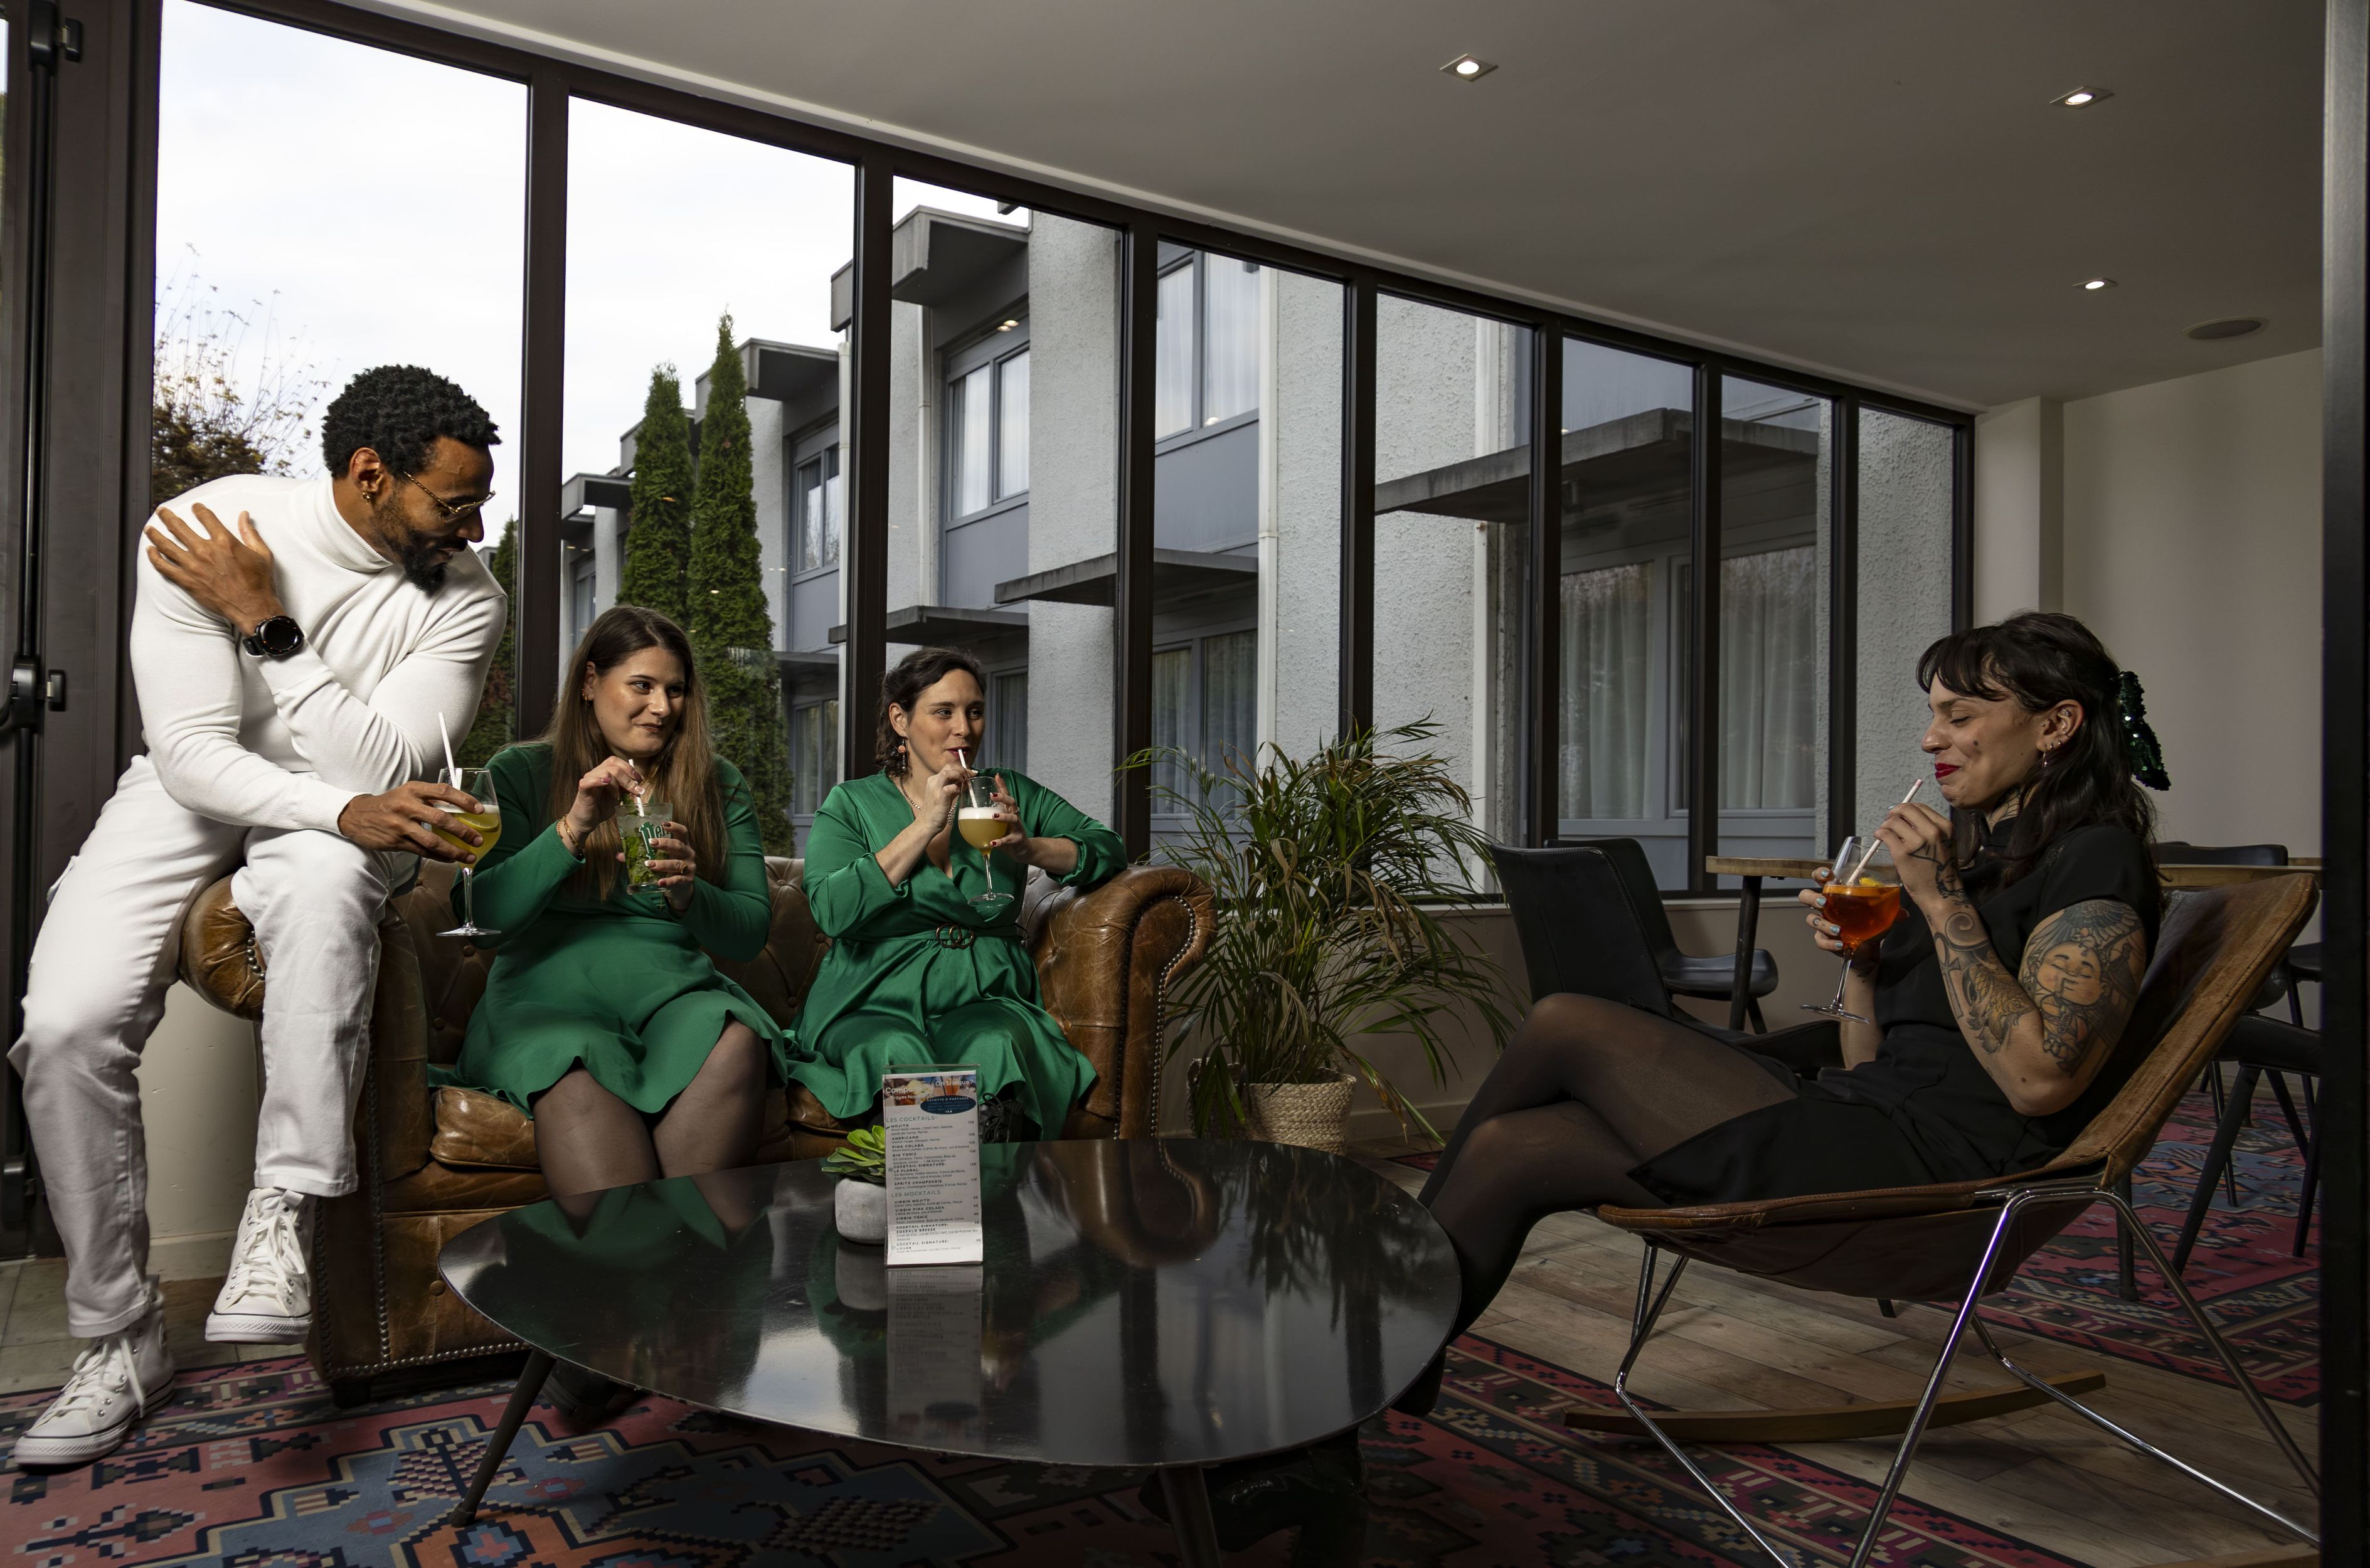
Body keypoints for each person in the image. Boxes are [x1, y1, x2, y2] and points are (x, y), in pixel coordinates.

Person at [1406, 610, 2166, 1411]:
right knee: (1512, 1146)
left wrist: (1939, 901)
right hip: (1866, 1121)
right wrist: (1865, 966)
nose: (1930, 739)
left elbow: (2040, 1082)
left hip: (1946, 1178)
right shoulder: (1979, 862)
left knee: (1568, 1018)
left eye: (1959, 715)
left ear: (2056, 724)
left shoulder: (2095, 856)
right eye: (1933, 714)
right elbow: (1870, 1063)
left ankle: (1372, 1295)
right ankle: (1383, 1376)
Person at [11, 366, 509, 1466]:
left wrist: (265, 622)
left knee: (326, 884)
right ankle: (118, 1337)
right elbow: (193, 754)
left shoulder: (468, 595)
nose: (475, 529)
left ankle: (283, 1207)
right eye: (455, 503)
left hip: (345, 816)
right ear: (370, 475)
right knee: (63, 1026)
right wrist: (338, 804)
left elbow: (384, 765)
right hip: (197, 794)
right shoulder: (207, 529)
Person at [444, 605, 792, 1198]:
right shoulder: (521, 771)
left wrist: (690, 893)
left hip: (676, 996)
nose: (662, 707)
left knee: (735, 1038)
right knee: (569, 1062)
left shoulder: (718, 781)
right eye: (642, 685)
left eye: (675, 690)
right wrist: (573, 827)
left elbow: (748, 933)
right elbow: (484, 916)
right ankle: (655, 1254)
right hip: (546, 1001)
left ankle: (682, 1251)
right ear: (589, 682)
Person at [789, 645, 1125, 1140]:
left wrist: (1029, 848)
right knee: (891, 1049)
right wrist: (924, 825)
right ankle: (920, 1181)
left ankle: (997, 1178)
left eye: (975, 711)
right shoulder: (851, 804)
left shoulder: (1008, 792)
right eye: (943, 712)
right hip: (869, 997)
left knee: (995, 1043)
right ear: (900, 720)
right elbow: (831, 911)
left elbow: (1108, 848)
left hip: (983, 993)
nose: (964, 729)